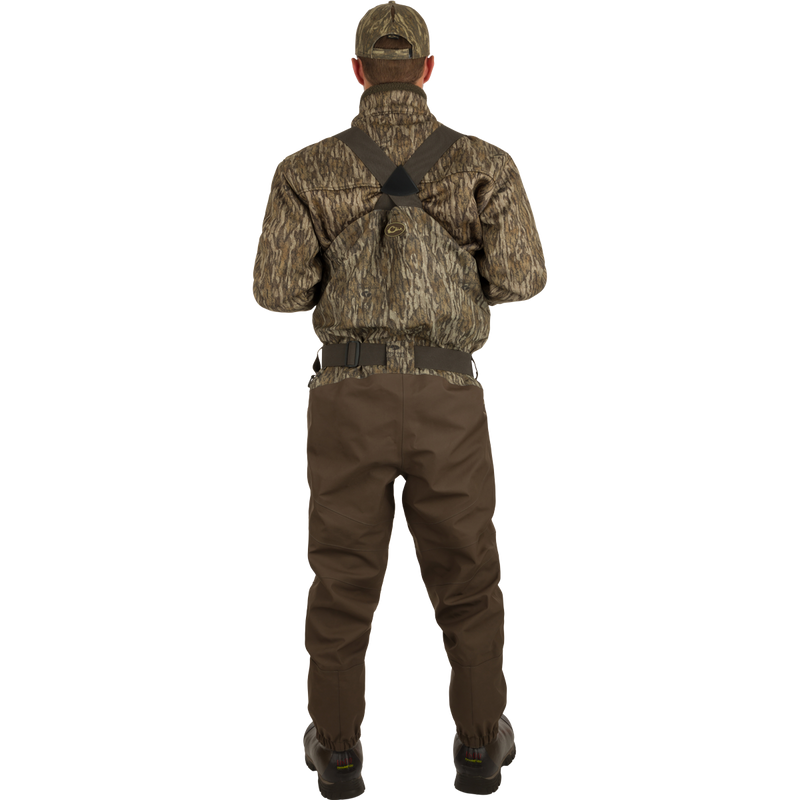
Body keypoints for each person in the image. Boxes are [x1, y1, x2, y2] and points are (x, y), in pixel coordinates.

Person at [251, 2, 548, 797]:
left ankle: (339, 755)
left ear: (356, 71)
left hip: (347, 396)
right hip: (450, 396)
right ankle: (479, 751)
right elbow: (525, 278)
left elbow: (275, 292)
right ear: (428, 68)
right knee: (468, 578)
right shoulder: (486, 161)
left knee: (343, 579)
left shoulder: (303, 169)